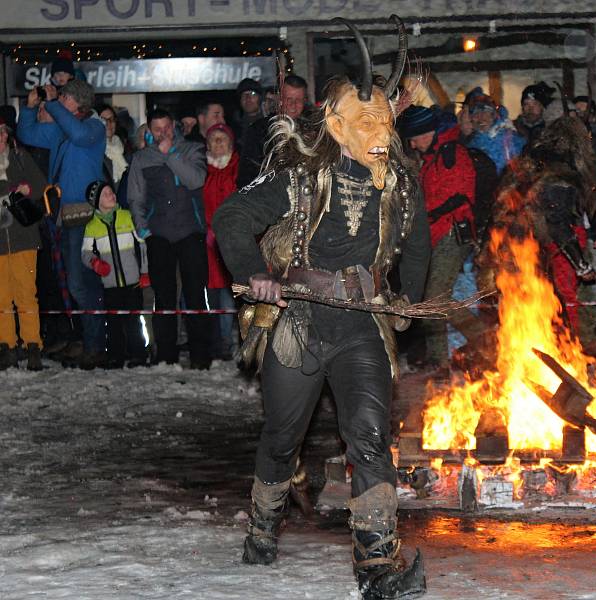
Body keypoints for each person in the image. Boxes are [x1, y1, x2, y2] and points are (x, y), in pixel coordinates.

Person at [213, 18, 430, 599]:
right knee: (282, 441)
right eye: (366, 120)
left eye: (384, 118)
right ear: (336, 126)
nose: (380, 129)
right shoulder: (301, 179)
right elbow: (231, 218)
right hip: (301, 326)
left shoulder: (400, 185)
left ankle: (378, 568)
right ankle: (262, 531)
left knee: (368, 438)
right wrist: (253, 274)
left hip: (361, 326)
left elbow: (420, 239)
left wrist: (406, 294)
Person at [16, 79, 107, 369]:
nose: (56, 100)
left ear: (76, 102)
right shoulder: (61, 130)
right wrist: (30, 108)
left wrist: (52, 104)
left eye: (63, 96)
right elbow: (26, 133)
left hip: (84, 214)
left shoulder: (94, 127)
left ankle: (96, 344)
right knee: (73, 283)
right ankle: (87, 341)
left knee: (81, 285)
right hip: (63, 214)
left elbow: (78, 135)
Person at [482, 116, 596, 343]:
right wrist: (581, 265)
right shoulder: (558, 173)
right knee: (545, 310)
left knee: (526, 312)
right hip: (520, 251)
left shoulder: (528, 163)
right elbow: (558, 223)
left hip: (511, 248)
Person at [127, 108, 211, 369]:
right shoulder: (141, 158)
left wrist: (170, 155)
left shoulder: (193, 149)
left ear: (173, 126)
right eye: (157, 129)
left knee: (196, 295)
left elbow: (196, 180)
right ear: (149, 131)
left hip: (190, 231)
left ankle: (201, 357)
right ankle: (166, 355)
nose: (162, 133)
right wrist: (143, 229)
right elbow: (135, 197)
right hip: (159, 234)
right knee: (163, 298)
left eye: (166, 127)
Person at [397, 105, 476, 370]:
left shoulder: (452, 153)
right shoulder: (432, 158)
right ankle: (445, 356)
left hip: (451, 234)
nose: (412, 143)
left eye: (415, 137)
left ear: (428, 132)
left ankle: (451, 355)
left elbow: (458, 194)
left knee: (435, 300)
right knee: (434, 300)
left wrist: (425, 215)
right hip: (435, 234)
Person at [82, 181, 149, 369]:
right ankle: (115, 356)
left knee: (134, 319)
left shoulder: (127, 217)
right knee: (113, 322)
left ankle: (139, 354)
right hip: (110, 284)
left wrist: (144, 271)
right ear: (96, 202)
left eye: (112, 192)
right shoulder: (91, 227)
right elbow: (85, 253)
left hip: (133, 281)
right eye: (106, 194)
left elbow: (143, 245)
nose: (112, 195)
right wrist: (95, 263)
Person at [0, 118, 47, 370]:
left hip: (24, 238)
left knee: (27, 295)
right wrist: (10, 188)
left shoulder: (20, 157)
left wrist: (27, 189)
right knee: (1, 298)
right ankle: (6, 346)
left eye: (0, 134)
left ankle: (32, 347)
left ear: (6, 135)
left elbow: (41, 186)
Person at [203, 123, 239, 360]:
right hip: (208, 242)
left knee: (229, 292)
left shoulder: (238, 169)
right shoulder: (203, 170)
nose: (218, 143)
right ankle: (215, 341)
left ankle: (228, 341)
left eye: (222, 139)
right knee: (211, 295)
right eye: (213, 139)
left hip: (234, 240)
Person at [237, 75, 309, 188]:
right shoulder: (259, 131)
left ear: (305, 101)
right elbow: (246, 176)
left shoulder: (312, 132)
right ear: (280, 99)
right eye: (289, 99)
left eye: (298, 100)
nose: (293, 105)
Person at [460, 88, 525, 175]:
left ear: (494, 115)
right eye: (476, 114)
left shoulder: (512, 140)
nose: (481, 118)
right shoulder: (470, 143)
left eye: (485, 112)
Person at [97, 104, 128, 189]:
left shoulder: (125, 146)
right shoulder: (95, 151)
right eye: (103, 120)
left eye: (111, 119)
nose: (109, 123)